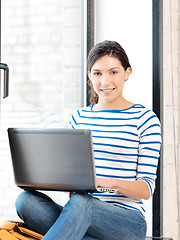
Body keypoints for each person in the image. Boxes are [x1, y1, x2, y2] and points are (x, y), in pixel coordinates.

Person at [15, 40, 162, 240]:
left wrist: (105, 183)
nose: (105, 82)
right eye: (97, 73)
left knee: (81, 202)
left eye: (113, 72)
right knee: (26, 201)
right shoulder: (79, 118)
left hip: (127, 222)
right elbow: (68, 173)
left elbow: (146, 189)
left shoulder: (145, 119)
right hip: (79, 213)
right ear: (89, 76)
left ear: (127, 73)